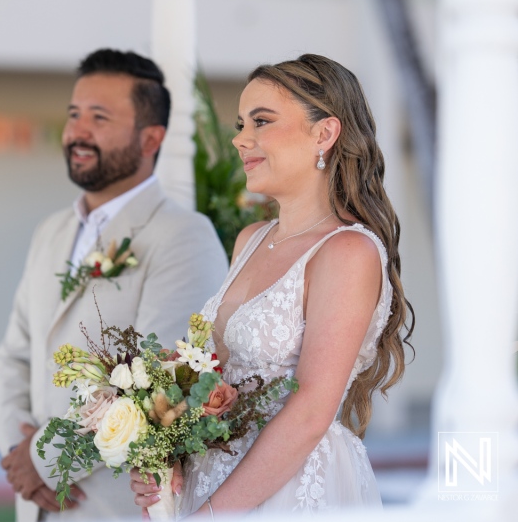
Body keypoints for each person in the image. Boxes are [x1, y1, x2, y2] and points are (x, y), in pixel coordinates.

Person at [130, 54, 415, 516]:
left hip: (293, 488)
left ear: (324, 133)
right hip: (209, 479)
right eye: (242, 123)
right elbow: (206, 374)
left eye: (261, 121)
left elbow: (308, 415)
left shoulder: (347, 253)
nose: (241, 140)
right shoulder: (250, 239)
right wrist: (163, 453)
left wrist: (214, 514)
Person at [0, 48, 228, 522]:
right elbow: (14, 357)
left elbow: (161, 383)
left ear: (150, 138)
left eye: (99, 118)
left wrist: (42, 461)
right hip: (41, 504)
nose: (78, 132)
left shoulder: (183, 236)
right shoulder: (50, 232)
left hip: (117, 504)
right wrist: (19, 452)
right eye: (74, 115)